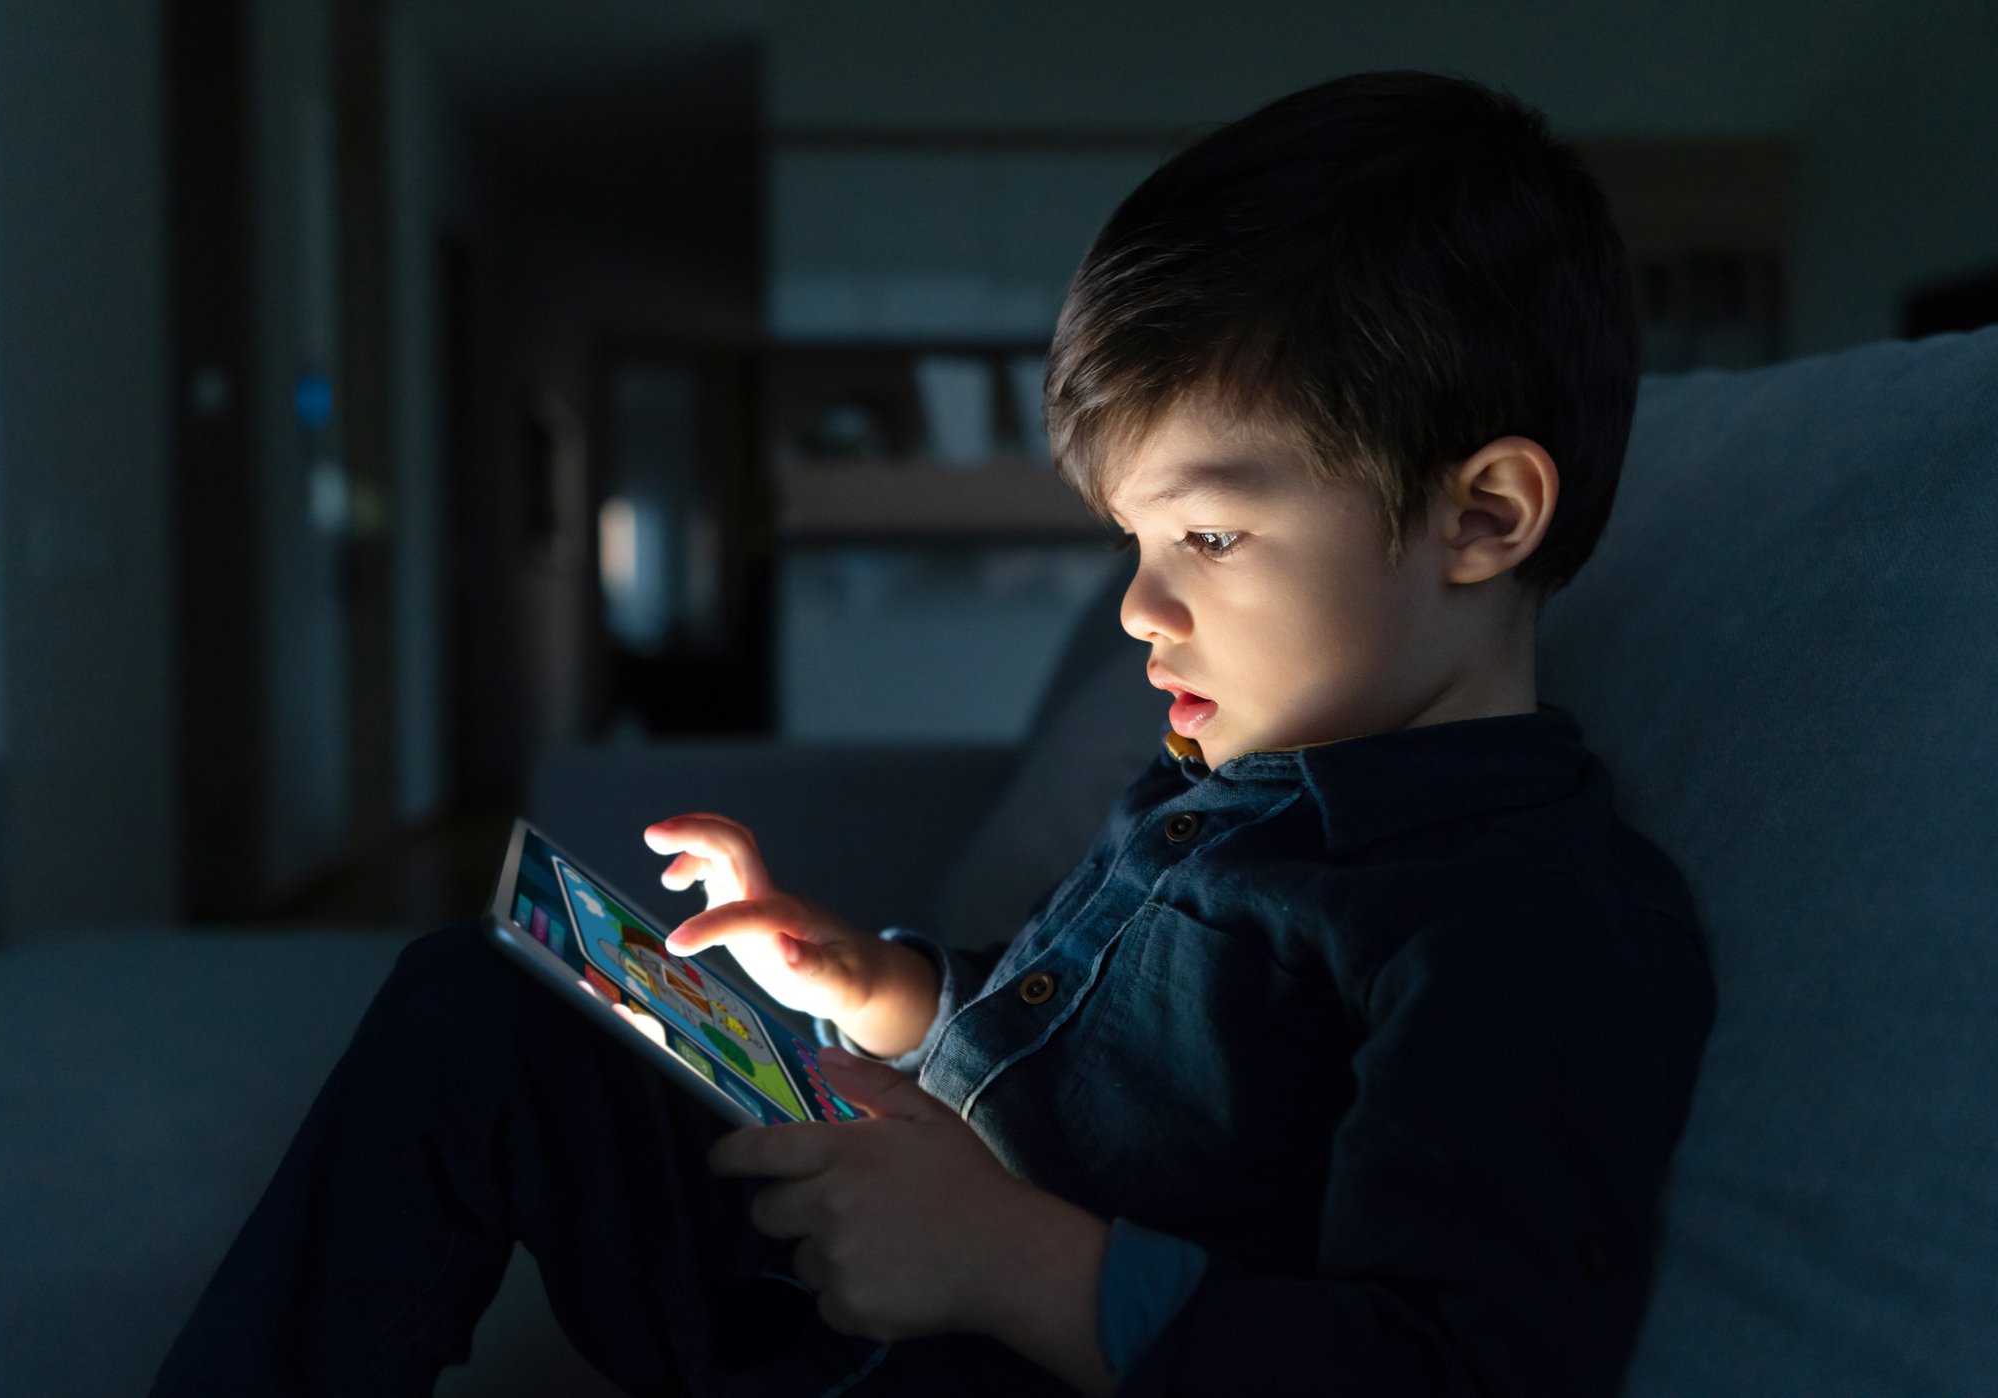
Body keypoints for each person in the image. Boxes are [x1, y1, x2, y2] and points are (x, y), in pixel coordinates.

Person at [152, 68, 1715, 1397]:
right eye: (1133, 541)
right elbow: (1084, 1060)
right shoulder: (1235, 780)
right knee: (486, 998)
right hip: (876, 1258)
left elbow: (1461, 1368)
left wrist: (1016, 1262)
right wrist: (878, 989)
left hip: (983, 1340)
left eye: (1212, 541)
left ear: (1484, 514)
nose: (1138, 610)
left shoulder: (1532, 916)